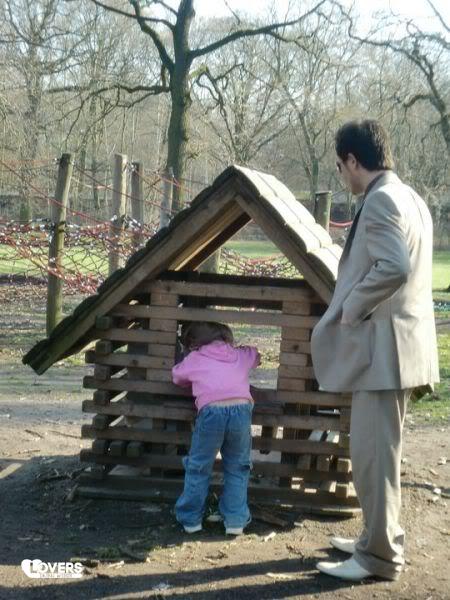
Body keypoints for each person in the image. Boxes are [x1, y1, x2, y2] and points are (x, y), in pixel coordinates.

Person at [311, 119, 439, 581]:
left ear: (352, 160)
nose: (341, 174)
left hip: (386, 353)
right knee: (379, 456)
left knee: (373, 458)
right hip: (400, 350)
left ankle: (379, 558)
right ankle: (375, 538)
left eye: (340, 165)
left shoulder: (382, 199)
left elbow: (394, 266)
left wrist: (352, 307)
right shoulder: (410, 197)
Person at [172, 321, 260, 535]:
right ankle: (235, 520)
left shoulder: (195, 357)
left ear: (193, 343)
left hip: (211, 411)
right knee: (238, 465)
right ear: (227, 339)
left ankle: (190, 519)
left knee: (199, 465)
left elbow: (177, 376)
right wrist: (242, 350)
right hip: (241, 410)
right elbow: (256, 355)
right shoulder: (239, 355)